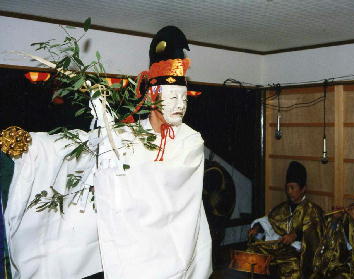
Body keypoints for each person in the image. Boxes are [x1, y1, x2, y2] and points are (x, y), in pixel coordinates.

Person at [1, 26, 212, 279]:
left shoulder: (190, 141)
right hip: (130, 242)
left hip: (174, 244)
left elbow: (166, 184)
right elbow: (81, 146)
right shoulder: (126, 135)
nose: (180, 105)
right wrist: (32, 145)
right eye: (173, 97)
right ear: (152, 96)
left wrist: (119, 169)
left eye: (184, 98)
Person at [245, 161, 324, 279]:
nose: (289, 192)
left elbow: (315, 232)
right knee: (252, 252)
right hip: (278, 247)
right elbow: (269, 221)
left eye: (293, 188)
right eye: (287, 188)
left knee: (290, 266)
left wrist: (296, 235)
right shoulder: (282, 208)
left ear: (303, 189)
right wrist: (257, 228)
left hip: (297, 251)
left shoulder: (313, 210)